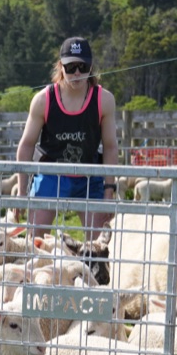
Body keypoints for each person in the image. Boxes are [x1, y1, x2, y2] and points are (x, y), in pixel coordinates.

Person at [14, 36, 120, 241]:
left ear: (91, 67)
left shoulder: (104, 100)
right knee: (35, 239)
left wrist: (109, 191)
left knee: (100, 243)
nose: (77, 73)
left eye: (83, 66)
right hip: (51, 175)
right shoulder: (43, 100)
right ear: (61, 67)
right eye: (71, 67)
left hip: (89, 175)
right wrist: (21, 191)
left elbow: (110, 147)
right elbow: (26, 144)